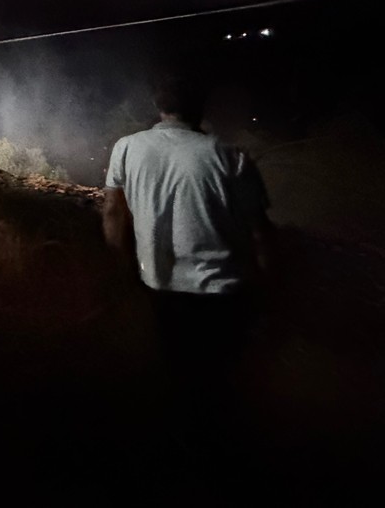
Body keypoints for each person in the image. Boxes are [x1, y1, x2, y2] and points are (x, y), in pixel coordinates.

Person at [103, 73, 273, 469]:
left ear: (158, 107)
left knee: (175, 373)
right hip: (223, 291)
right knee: (222, 381)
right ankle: (220, 459)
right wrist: (269, 286)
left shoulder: (127, 149)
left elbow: (112, 213)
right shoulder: (230, 156)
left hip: (160, 286)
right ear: (200, 108)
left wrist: (121, 268)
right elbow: (261, 234)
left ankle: (179, 456)